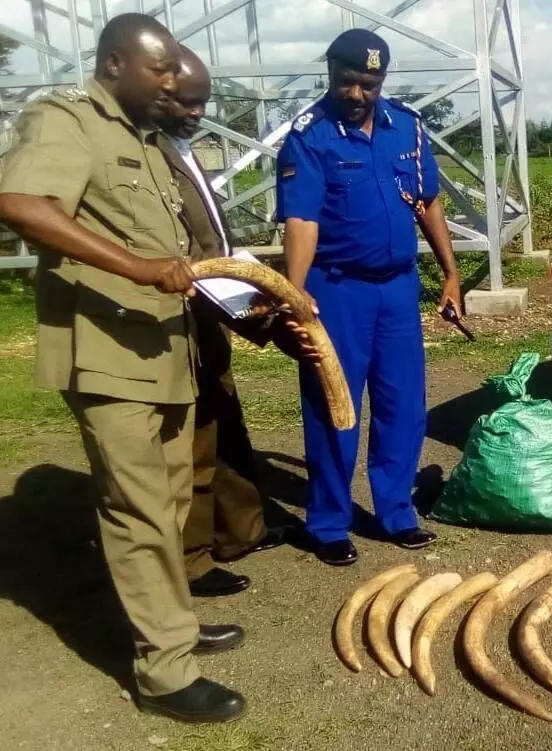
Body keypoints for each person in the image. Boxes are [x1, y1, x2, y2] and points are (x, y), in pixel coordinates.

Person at [0, 13, 245, 723]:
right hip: (107, 354)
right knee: (139, 509)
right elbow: (20, 202)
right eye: (160, 69)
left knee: (168, 503)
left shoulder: (142, 137)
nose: (173, 82)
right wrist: (136, 267)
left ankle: (166, 621)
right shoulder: (66, 119)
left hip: (162, 350)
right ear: (114, 64)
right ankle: (165, 671)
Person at [274, 28, 462, 566]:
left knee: (403, 405)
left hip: (399, 289)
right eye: (347, 82)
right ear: (330, 73)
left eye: (369, 84)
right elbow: (302, 219)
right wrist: (294, 291)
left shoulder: (408, 126)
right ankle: (329, 521)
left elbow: (427, 203)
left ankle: (396, 512)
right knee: (335, 404)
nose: (357, 94)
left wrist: (449, 274)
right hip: (337, 289)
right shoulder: (311, 136)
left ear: (383, 81)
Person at [154, 46, 316, 597]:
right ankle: (194, 559)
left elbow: (211, 241)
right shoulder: (147, 151)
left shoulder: (180, 147)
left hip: (211, 306)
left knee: (224, 419)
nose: (198, 113)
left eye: (203, 103)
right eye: (186, 102)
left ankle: (242, 531)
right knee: (195, 437)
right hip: (179, 315)